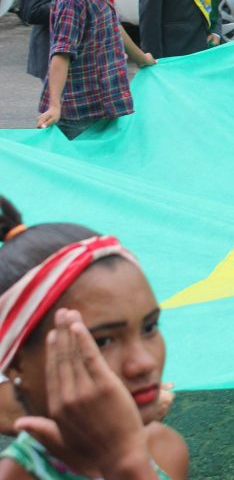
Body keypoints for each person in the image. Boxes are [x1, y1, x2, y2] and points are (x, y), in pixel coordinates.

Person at [0, 197, 188, 480]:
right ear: (15, 363)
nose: (143, 363)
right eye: (101, 342)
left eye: (149, 327)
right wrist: (126, 464)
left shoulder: (167, 449)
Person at [36, 0, 156, 140]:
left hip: (104, 103)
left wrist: (142, 58)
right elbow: (61, 53)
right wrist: (54, 106)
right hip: (78, 114)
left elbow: (114, 26)